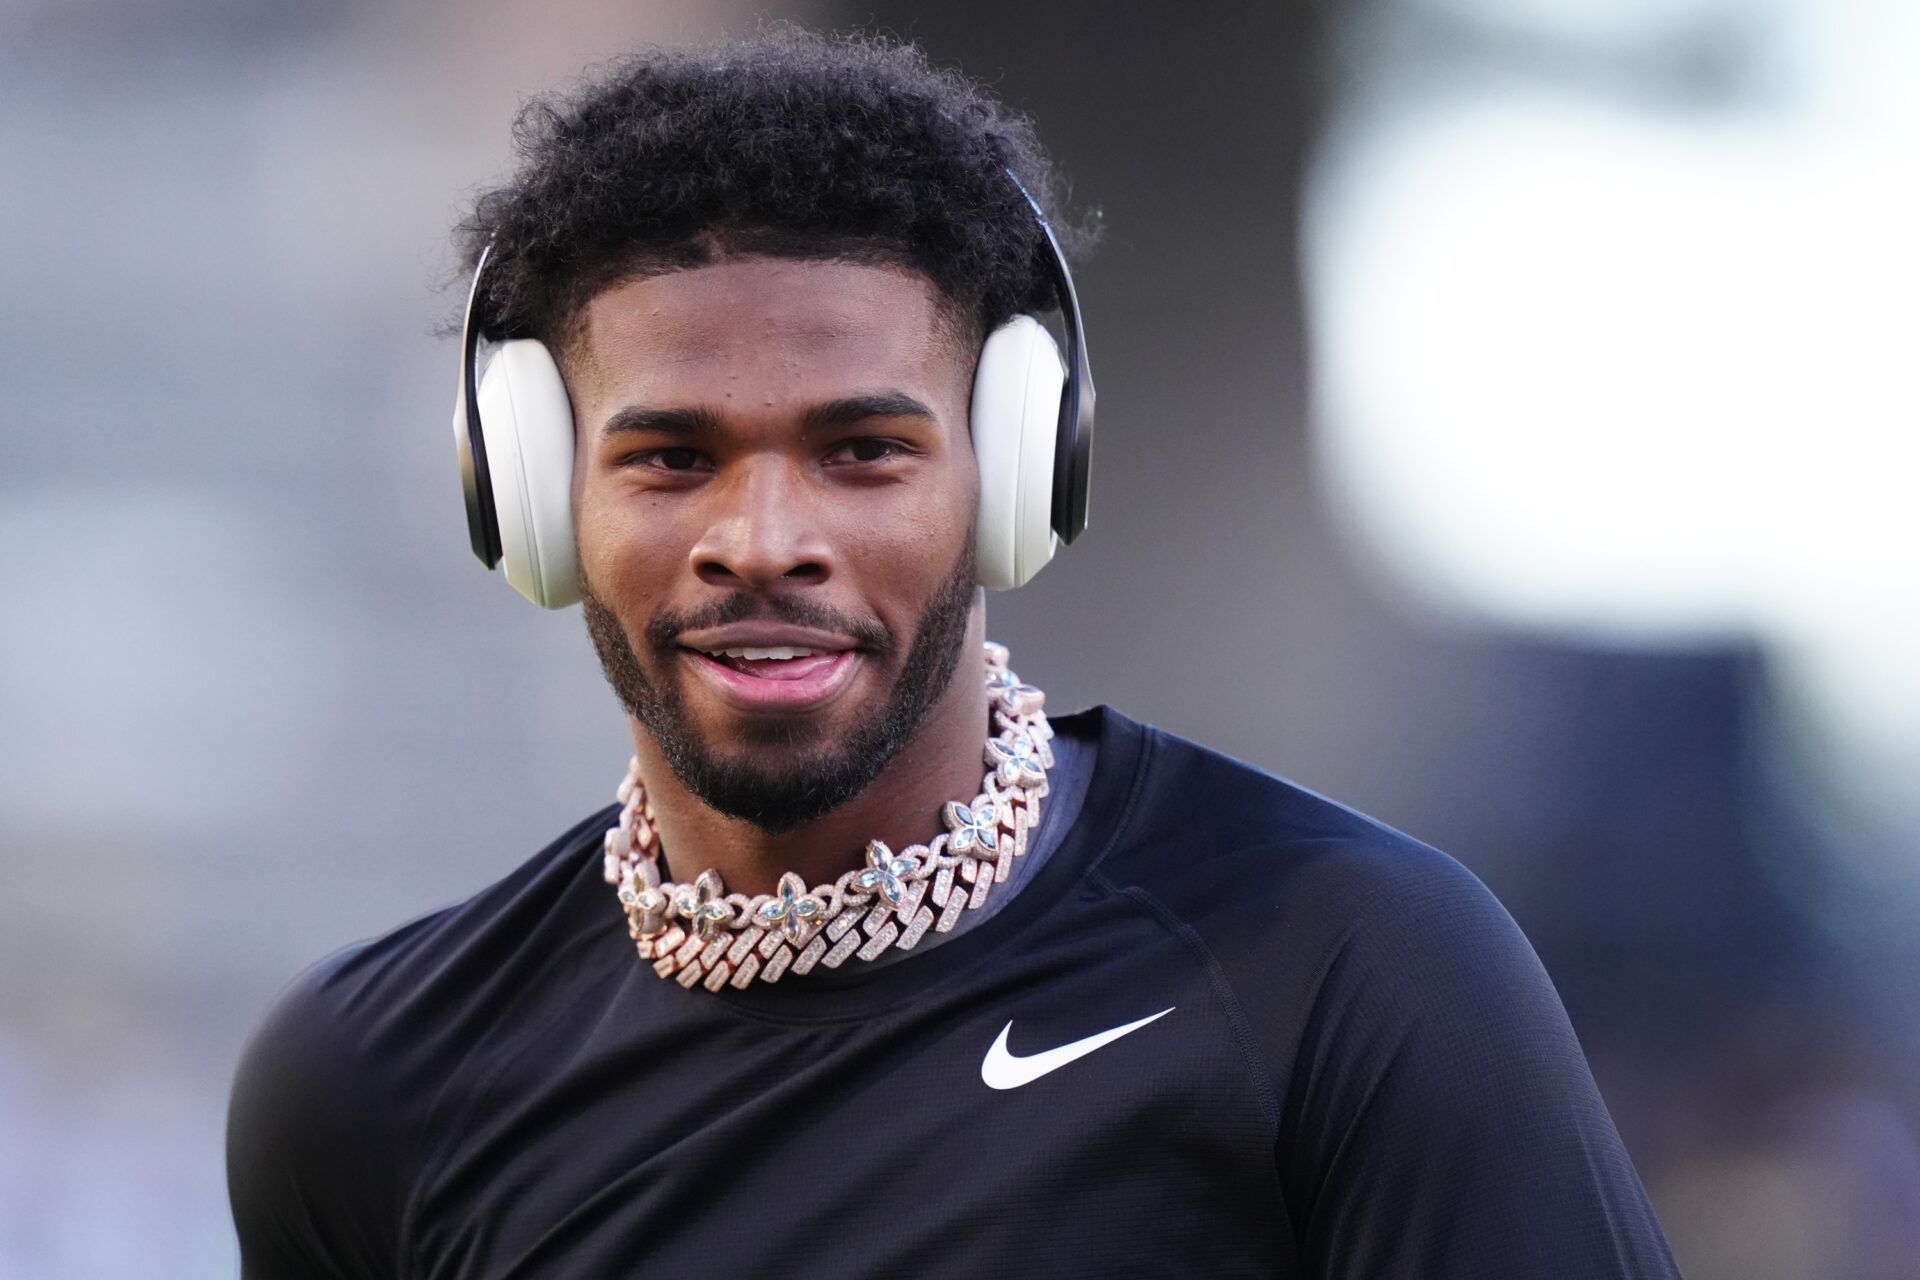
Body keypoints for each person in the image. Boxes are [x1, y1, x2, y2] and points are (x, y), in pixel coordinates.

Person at [227, 27, 1684, 1279]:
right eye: (670, 457)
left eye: (863, 449)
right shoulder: (371, 1084)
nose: (764, 537)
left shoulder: (1348, 966)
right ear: (536, 501)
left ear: (1014, 473)